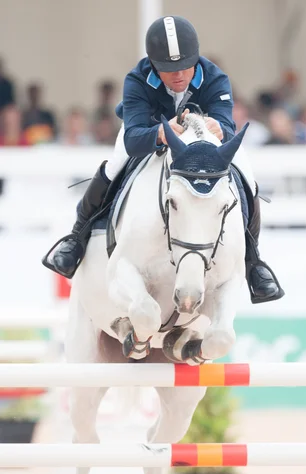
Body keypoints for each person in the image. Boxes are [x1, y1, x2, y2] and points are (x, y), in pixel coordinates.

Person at [44, 16, 284, 304]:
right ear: (154, 65)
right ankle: (76, 239)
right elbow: (133, 139)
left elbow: (226, 124)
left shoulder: (215, 77)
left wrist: (220, 127)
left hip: (200, 140)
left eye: (185, 66)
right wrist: (160, 131)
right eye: (169, 70)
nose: (179, 75)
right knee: (114, 166)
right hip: (147, 131)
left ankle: (254, 261)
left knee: (248, 176)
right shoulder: (137, 79)